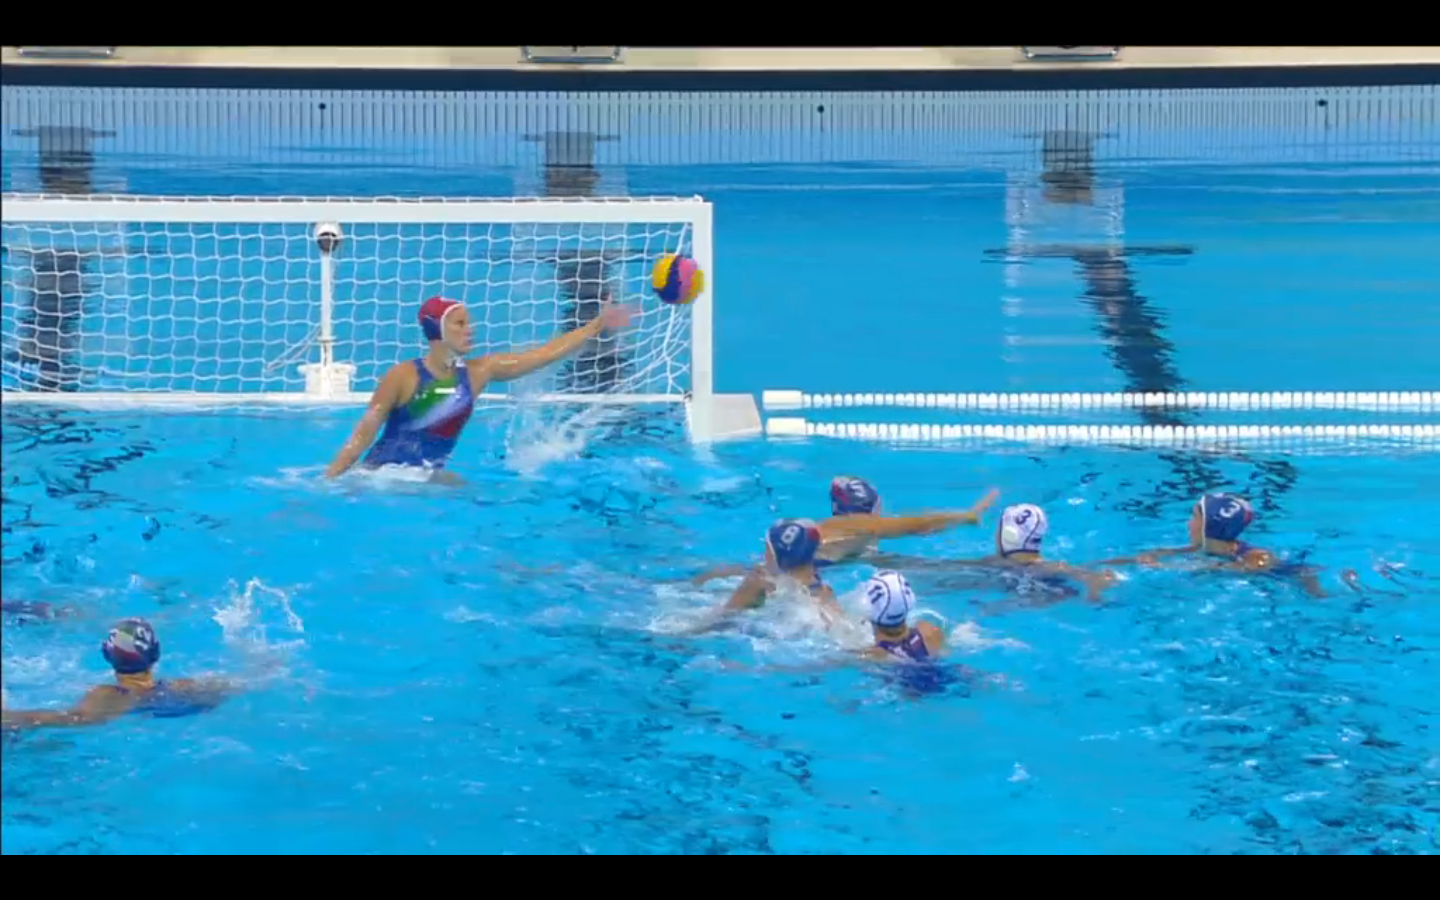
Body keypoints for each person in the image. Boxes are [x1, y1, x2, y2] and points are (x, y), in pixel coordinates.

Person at [324, 296, 633, 479]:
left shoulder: (478, 373)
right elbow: (361, 437)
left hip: (425, 479)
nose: (469, 330)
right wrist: (329, 481)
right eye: (459, 324)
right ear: (436, 330)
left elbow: (543, 355)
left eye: (468, 323)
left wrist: (596, 325)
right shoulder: (403, 376)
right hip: (382, 478)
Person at [689, 479, 1000, 585]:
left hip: (778, 578)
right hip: (780, 584)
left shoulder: (844, 538)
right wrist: (967, 516)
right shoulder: (856, 525)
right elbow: (915, 524)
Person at [1, 618, 238, 731]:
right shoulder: (186, 687)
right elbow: (237, 685)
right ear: (156, 654)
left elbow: (69, 718)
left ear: (106, 655)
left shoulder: (108, 696)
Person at [871, 503, 1118, 605]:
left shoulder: (992, 565)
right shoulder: (1050, 566)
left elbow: (937, 566)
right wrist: (1095, 589)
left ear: (1008, 534)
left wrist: (877, 559)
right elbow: (1093, 574)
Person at [1098, 493, 1336, 597]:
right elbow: (1155, 555)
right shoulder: (1201, 548)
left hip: (1308, 584)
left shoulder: (1257, 556)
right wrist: (1096, 566)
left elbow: (1238, 569)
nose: (1188, 524)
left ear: (1211, 526)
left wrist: (1169, 568)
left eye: (1194, 517)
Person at [686, 518, 846, 635]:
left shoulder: (758, 582)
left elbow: (715, 621)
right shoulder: (825, 593)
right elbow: (843, 633)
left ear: (777, 554)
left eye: (767, 547)